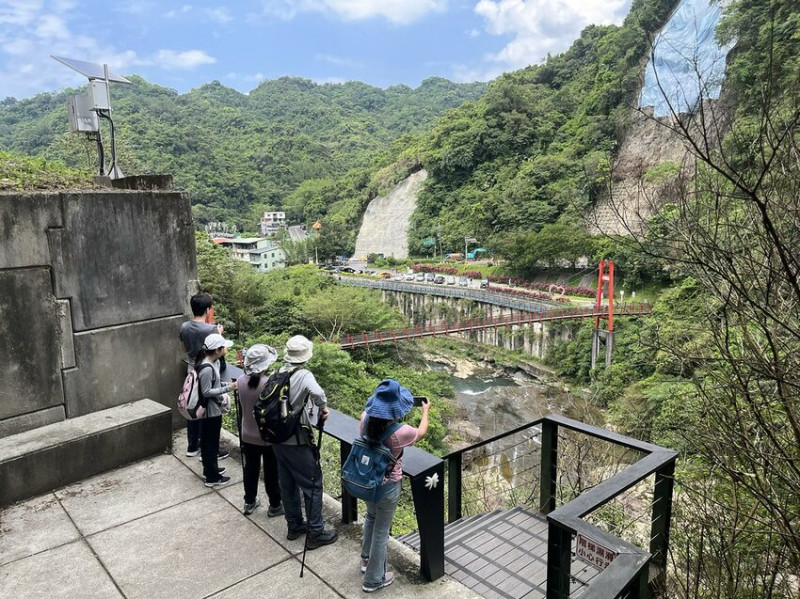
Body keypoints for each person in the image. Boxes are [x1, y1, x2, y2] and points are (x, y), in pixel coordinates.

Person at [358, 379, 430, 593]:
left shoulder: (365, 418)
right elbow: (421, 432)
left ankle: (365, 560)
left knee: (371, 517)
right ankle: (373, 579)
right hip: (388, 486)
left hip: (367, 480)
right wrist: (425, 410)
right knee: (381, 531)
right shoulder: (401, 432)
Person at [271, 335, 338, 549]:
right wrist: (323, 406)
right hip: (296, 440)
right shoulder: (303, 374)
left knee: (288, 483)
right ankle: (315, 532)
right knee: (313, 484)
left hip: (277, 439)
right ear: (306, 356)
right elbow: (317, 393)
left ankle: (294, 526)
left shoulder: (278, 372)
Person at [179, 292, 228, 461]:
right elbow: (220, 351)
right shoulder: (211, 329)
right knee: (209, 410)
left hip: (192, 369)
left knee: (193, 404)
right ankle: (210, 451)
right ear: (207, 310)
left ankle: (193, 446)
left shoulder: (184, 327)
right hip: (209, 370)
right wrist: (219, 333)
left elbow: (184, 348)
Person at [237, 344, 284, 517]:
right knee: (271, 471)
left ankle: (249, 501)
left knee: (251, 468)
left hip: (247, 433)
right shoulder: (269, 384)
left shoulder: (240, 381)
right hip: (267, 436)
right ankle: (275, 505)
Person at [197, 333, 237, 487]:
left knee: (211, 442)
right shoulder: (207, 367)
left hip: (213, 410)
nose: (225, 349)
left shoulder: (214, 363)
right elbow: (206, 391)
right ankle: (212, 477)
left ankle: (211, 469)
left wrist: (227, 384)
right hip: (210, 411)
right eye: (223, 347)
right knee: (209, 443)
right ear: (217, 350)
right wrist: (228, 388)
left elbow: (216, 383)